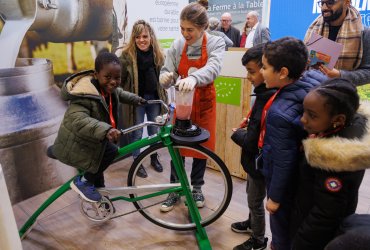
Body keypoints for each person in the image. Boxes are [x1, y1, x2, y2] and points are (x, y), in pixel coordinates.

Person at [259, 37, 327, 250]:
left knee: (281, 228)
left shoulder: (280, 114)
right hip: (306, 178)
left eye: (264, 67)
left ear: (283, 72)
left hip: (285, 184)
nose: (261, 72)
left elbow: (283, 159)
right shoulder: (314, 79)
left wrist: (274, 198)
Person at [52, 52, 146, 202]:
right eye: (108, 77)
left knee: (98, 171)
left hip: (94, 139)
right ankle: (83, 183)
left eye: (117, 77)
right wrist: (106, 129)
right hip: (80, 142)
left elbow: (120, 93)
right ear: (96, 75)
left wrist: (137, 100)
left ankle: (101, 201)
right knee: (110, 152)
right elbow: (77, 119)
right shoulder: (85, 94)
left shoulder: (108, 89)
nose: (113, 82)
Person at [159, 2, 225, 212]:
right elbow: (166, 69)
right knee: (177, 148)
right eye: (182, 28)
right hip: (183, 105)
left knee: (200, 148)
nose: (185, 33)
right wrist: (165, 77)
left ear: (203, 28)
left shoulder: (216, 43)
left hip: (204, 104)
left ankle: (197, 188)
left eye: (190, 30)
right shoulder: (178, 46)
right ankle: (175, 189)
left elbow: (213, 67)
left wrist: (195, 78)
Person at [290, 78, 370, 250]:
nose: (303, 119)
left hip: (316, 236)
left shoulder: (334, 162)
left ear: (338, 120)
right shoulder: (335, 130)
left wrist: (300, 243)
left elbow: (325, 215)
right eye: (304, 111)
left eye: (312, 115)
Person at [230, 44, 276, 250]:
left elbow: (253, 140)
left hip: (259, 162)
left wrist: (237, 135)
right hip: (254, 163)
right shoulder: (263, 94)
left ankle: (258, 239)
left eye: (252, 71)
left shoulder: (269, 98)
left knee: (255, 202)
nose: (248, 77)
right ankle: (252, 224)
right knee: (251, 196)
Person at [119, 20, 168, 178]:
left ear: (151, 36)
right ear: (133, 38)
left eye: (145, 36)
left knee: (154, 131)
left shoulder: (158, 54)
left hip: (154, 99)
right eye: (137, 37)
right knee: (138, 133)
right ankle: (137, 162)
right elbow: (120, 80)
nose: (141, 40)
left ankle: (154, 158)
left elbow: (164, 76)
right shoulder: (127, 56)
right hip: (137, 101)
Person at [304, 0, 370, 86]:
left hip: (343, 95)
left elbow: (368, 72)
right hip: (310, 90)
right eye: (322, 3)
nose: (324, 8)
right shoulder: (314, 29)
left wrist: (340, 75)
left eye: (330, 3)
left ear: (347, 2)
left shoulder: (364, 33)